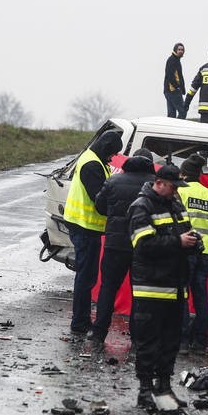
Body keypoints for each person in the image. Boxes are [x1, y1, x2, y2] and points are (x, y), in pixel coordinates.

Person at [127, 164, 198, 409]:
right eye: (174, 187)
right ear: (160, 183)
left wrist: (192, 241)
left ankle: (164, 390)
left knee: (171, 342)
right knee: (148, 342)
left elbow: (186, 231)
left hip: (176, 285)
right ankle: (145, 391)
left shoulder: (176, 205)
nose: (177, 192)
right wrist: (178, 241)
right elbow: (144, 245)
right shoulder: (141, 207)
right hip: (151, 287)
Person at [89, 148, 156, 348]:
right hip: (143, 246)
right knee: (140, 292)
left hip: (115, 245)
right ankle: (137, 338)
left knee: (108, 288)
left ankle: (99, 333)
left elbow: (100, 206)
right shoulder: (155, 185)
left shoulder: (114, 181)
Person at [63, 131, 123, 335]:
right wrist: (119, 210)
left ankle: (82, 319)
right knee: (85, 277)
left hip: (87, 227)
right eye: (113, 153)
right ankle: (79, 322)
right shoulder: (92, 164)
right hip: (84, 227)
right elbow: (99, 200)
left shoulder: (95, 159)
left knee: (86, 276)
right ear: (106, 147)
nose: (113, 157)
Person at [178, 154, 208, 356]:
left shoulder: (180, 191)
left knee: (181, 296)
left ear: (184, 174)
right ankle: (199, 342)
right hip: (205, 254)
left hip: (184, 251)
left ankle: (181, 343)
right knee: (201, 297)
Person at [164, 42, 186, 119]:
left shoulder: (176, 60)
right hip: (173, 90)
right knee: (183, 111)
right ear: (175, 50)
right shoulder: (172, 60)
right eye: (179, 49)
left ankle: (170, 129)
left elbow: (179, 76)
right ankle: (179, 129)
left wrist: (182, 89)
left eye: (182, 50)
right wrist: (177, 87)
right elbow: (170, 76)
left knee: (171, 114)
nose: (181, 51)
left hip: (169, 91)